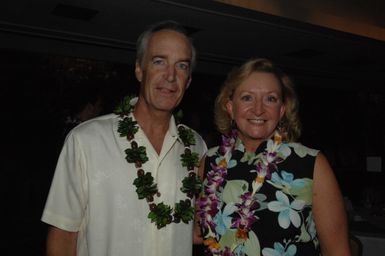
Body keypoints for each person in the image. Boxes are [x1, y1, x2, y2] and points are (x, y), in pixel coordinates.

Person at [41, 20, 207, 256]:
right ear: (139, 69)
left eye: (181, 66)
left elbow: (194, 225)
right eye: (159, 61)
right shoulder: (86, 140)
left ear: (188, 80)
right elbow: (63, 234)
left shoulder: (196, 146)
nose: (171, 76)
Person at [195, 58, 351, 255]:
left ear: (282, 110)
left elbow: (338, 251)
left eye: (270, 99)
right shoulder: (209, 161)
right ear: (230, 107)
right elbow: (195, 232)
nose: (258, 109)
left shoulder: (311, 164)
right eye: (247, 98)